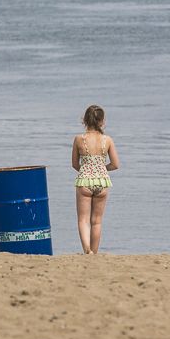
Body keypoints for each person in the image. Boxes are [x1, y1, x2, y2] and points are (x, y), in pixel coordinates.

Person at [72, 104, 120, 254]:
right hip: (102, 182)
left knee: (83, 220)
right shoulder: (108, 140)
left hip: (85, 181)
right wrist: (101, 169)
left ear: (85, 120)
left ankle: (87, 250)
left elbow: (74, 164)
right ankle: (95, 251)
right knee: (97, 221)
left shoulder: (79, 139)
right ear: (102, 121)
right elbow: (115, 164)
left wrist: (87, 170)